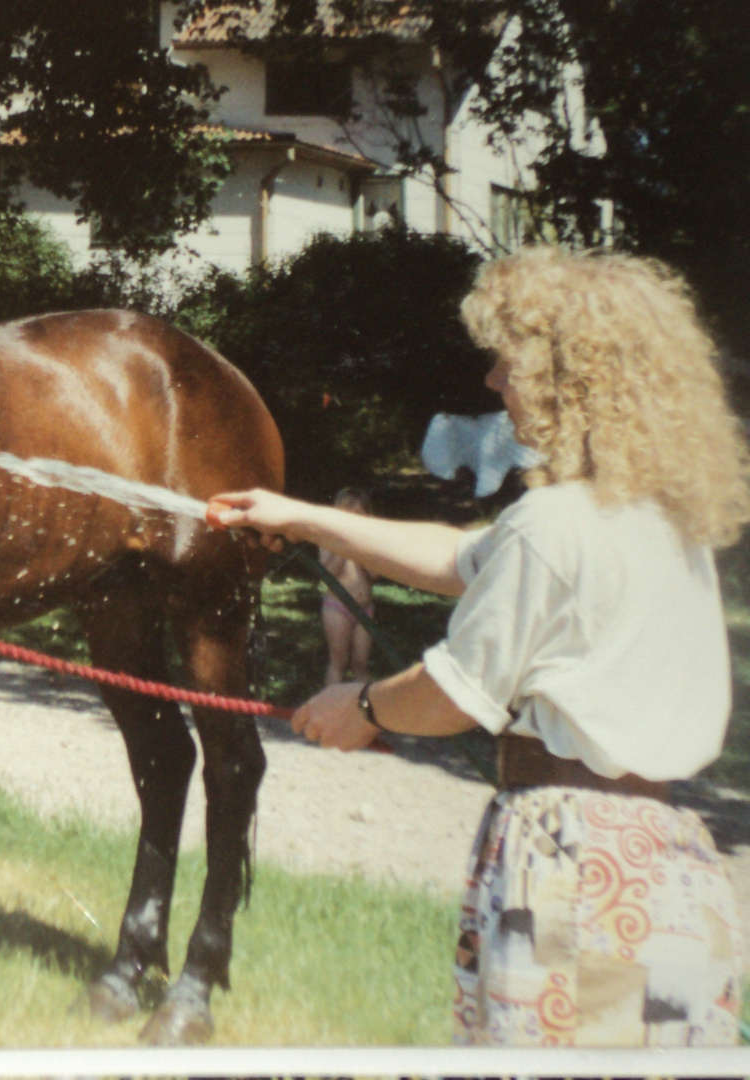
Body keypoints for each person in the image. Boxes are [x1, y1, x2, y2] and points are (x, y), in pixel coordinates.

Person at [208, 246, 750, 1047]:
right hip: (673, 867)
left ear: (574, 376)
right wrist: (298, 517)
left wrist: (359, 706)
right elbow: (457, 558)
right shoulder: (662, 525)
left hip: (568, 863)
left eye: (507, 363)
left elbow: (455, 694)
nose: (494, 382)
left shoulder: (554, 526)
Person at [319, 487, 375, 688]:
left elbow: (375, 574)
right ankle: (329, 711)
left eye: (358, 515)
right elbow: (328, 574)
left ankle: (363, 712)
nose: (353, 521)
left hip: (364, 608)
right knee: (338, 662)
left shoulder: (369, 540)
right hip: (338, 607)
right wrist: (344, 547)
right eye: (347, 515)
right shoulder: (329, 538)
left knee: (360, 664)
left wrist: (360, 548)